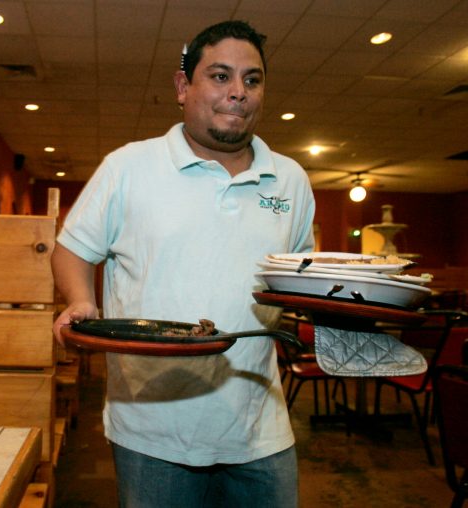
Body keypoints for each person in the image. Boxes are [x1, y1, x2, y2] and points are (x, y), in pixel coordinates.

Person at [51, 20, 315, 508]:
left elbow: (297, 279)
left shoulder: (291, 181)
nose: (238, 92)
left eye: (251, 80)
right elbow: (73, 247)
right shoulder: (128, 167)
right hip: (153, 430)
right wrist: (82, 299)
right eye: (219, 76)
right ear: (182, 86)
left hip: (259, 429)